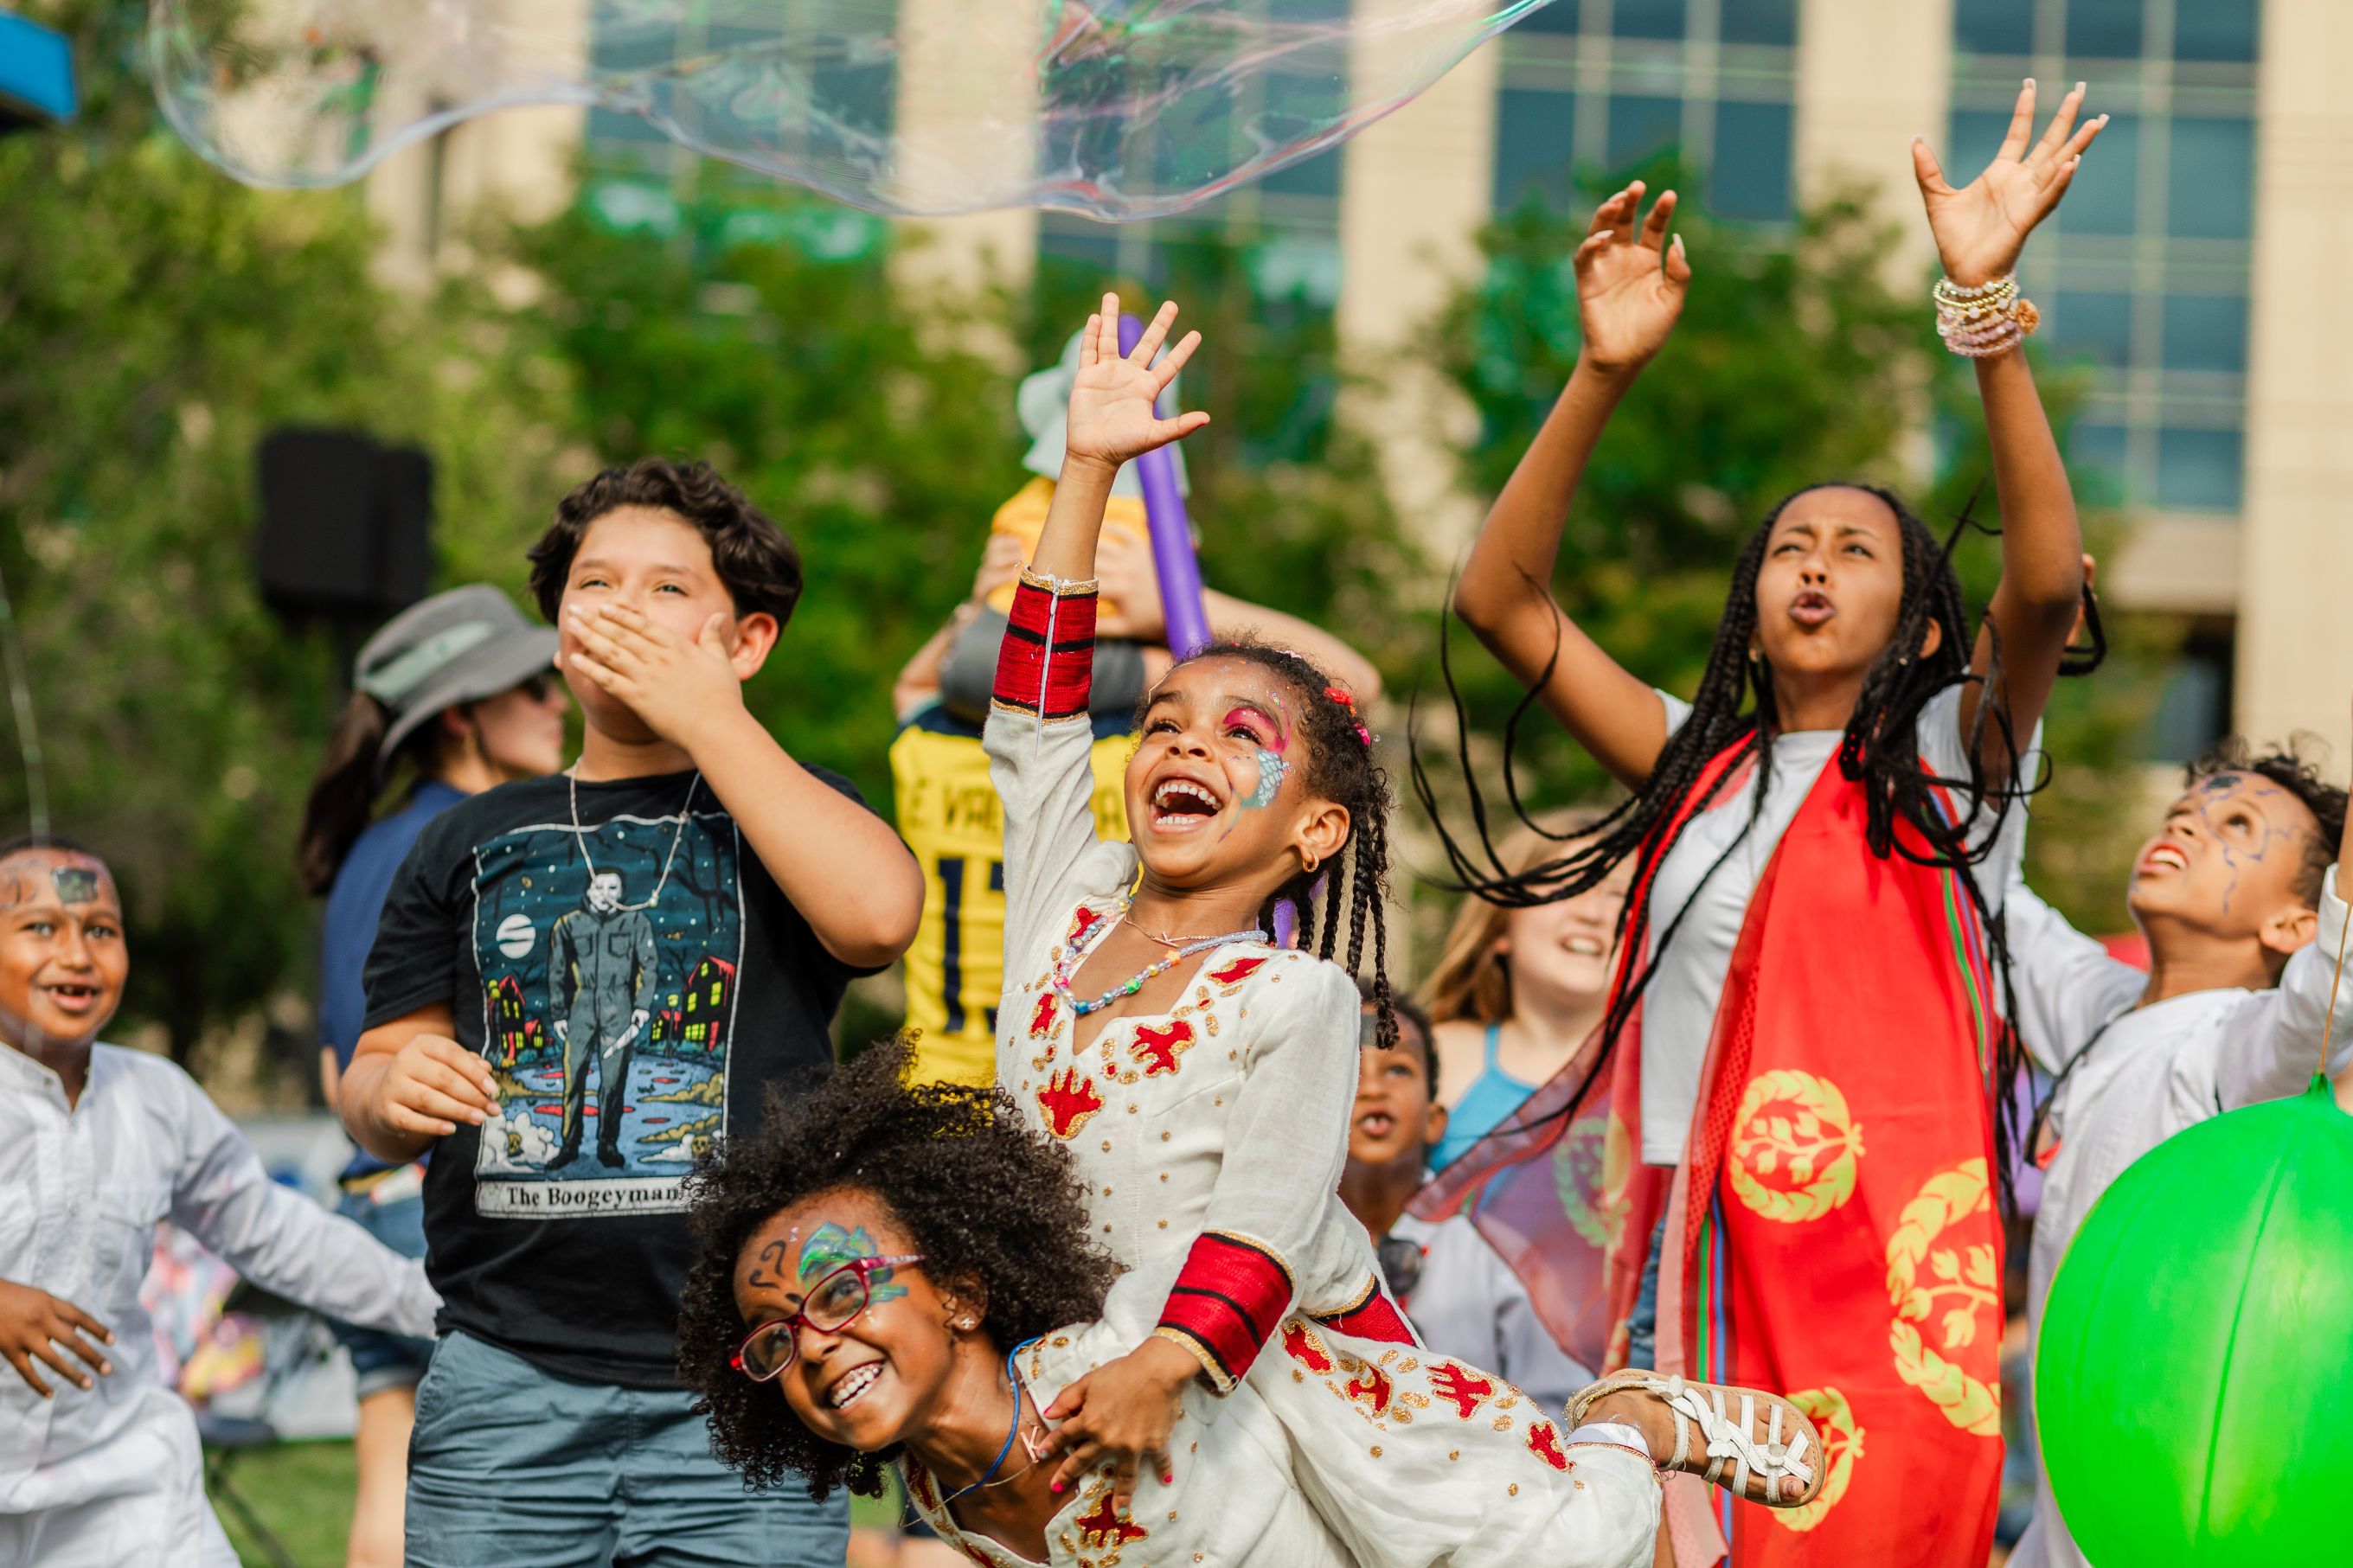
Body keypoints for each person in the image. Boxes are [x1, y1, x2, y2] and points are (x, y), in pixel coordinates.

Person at [980, 296, 1822, 1539]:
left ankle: (1627, 1423)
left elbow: (1261, 1224)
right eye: (1165, 722)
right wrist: (1090, 470)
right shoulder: (1071, 898)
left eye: (1241, 736)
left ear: (1316, 832)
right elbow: (1034, 721)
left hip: (1248, 1372)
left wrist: (1163, 1365)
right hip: (1062, 1373)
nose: (1185, 742)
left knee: (1563, 1545)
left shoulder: (1297, 997)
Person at [1432, 84, 2108, 1567]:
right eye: (1789, 546)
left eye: (1856, 549)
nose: (1813, 566)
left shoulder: (1951, 761)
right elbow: (1501, 605)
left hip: (1882, 1262)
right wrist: (1602, 372)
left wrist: (1983, 305)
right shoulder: (1695, 757)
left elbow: (2048, 587)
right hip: (1688, 1233)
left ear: (1924, 619)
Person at [337, 458, 924, 1568]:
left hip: (746, 1377)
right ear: (558, 631)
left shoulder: (787, 808)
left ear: (745, 640)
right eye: (592, 586)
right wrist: (389, 1091)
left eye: (666, 590)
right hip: (504, 1382)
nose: (621, 608)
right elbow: (376, 1073)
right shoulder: (466, 835)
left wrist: (710, 719)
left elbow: (876, 916)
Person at [673, 1038, 1825, 1568]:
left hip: (1425, 1511)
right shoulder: (941, 1494)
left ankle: (1632, 1420)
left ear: (964, 1291)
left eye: (838, 1290)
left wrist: (1183, 1355)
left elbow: (1301, 1236)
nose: (816, 1346)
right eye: (777, 1339)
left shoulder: (1121, 1338)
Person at [890, 330, 1380, 1090]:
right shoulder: (1105, 765)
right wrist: (1170, 618)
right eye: (1167, 719)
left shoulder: (927, 738)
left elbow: (932, 685)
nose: (1187, 745)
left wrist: (974, 613)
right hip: (1030, 1068)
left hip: (949, 1072)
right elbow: (1354, 686)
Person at [0, 836, 439, 1568]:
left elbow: (281, 1235)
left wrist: (450, 1308)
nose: (76, 954)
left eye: (101, 929)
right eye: (39, 927)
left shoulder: (157, 1097)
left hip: (124, 1483)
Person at [1993, 736, 2353, 1568]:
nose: (2189, 826)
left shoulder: (2241, 1047)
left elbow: (2340, 968)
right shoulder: (2103, 1008)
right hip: (2057, 1530)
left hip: (2165, 1522)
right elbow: (1987, 891)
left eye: (2234, 823)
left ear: (2294, 922)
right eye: (2181, 812)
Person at [295, 582, 567, 1568]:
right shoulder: (475, 840)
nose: (558, 701)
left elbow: (341, 1061)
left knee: (385, 1486)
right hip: (440, 1204)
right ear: (462, 714)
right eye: (531, 686)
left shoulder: (366, 846)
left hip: (362, 1198)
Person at [1340, 991, 1594, 1411]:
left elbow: (1561, 1408)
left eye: (1399, 1069)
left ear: (1435, 1121)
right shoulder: (1285, 1246)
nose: (1373, 1088)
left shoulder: (1495, 1253)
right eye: (1347, 1069)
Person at [1421, 811, 1628, 1172]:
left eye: (1618, 894)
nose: (1593, 913)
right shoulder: (1434, 1058)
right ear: (1501, 926)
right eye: (1566, 884)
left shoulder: (1670, 1076)